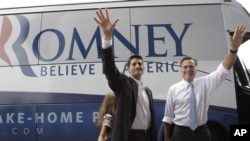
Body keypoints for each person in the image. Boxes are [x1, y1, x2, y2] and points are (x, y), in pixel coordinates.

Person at [162, 24, 247, 141]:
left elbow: (224, 68)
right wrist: (166, 137)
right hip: (180, 133)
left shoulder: (205, 83)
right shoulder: (173, 89)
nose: (188, 70)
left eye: (191, 66)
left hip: (201, 132)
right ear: (181, 69)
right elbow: (168, 117)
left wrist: (233, 50)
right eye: (185, 67)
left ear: (196, 68)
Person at [94, 8, 158, 141]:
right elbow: (110, 70)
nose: (137, 66)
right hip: (130, 137)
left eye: (140, 63)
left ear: (144, 67)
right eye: (134, 64)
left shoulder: (148, 91)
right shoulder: (123, 84)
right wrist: (107, 37)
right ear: (128, 69)